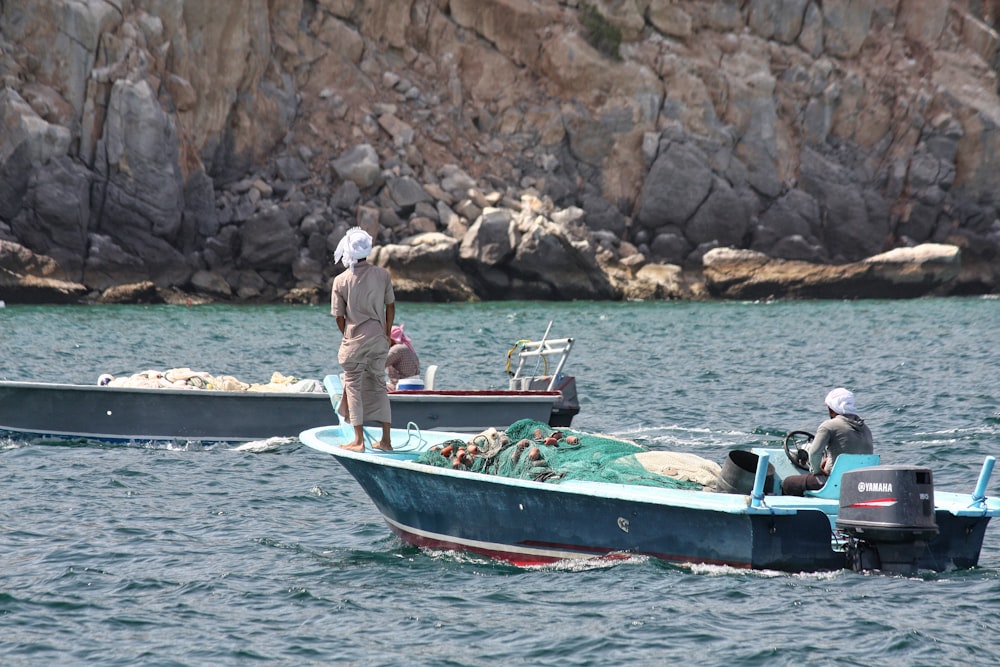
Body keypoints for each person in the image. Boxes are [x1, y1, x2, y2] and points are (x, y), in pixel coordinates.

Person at [331, 226, 394, 452]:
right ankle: (386, 440)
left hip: (354, 340)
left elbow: (339, 317)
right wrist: (386, 334)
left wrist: (348, 335)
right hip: (379, 338)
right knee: (379, 385)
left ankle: (358, 441)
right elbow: (390, 307)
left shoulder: (340, 280)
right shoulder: (383, 275)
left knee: (353, 387)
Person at [781, 387, 874, 496]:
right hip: (859, 483)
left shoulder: (829, 426)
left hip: (834, 483)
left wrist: (817, 470)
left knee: (789, 483)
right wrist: (830, 459)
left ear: (831, 409)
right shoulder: (866, 429)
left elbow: (814, 453)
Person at [386, 324, 420, 390]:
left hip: (401, 386)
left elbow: (379, 365)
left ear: (391, 339)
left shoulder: (396, 349)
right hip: (417, 384)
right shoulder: (408, 347)